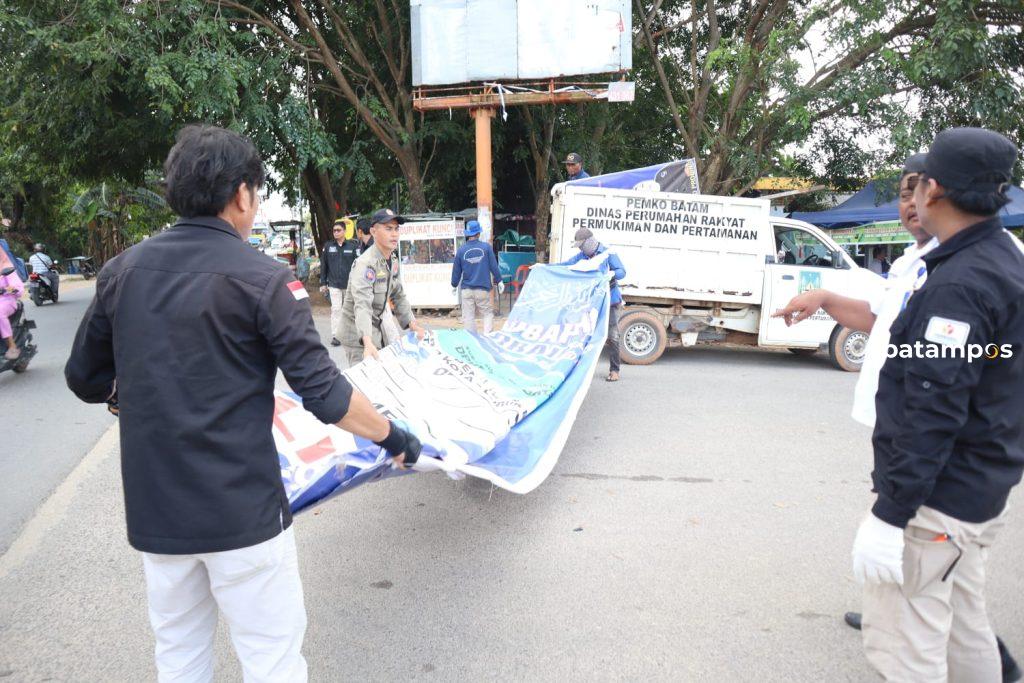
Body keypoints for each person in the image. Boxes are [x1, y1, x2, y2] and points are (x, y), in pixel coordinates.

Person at [64, 125, 422, 683]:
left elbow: (84, 378)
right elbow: (325, 394)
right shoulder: (265, 280)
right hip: (243, 516)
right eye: (255, 193)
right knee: (272, 661)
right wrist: (394, 438)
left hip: (158, 515)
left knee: (179, 658)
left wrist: (128, 396)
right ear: (240, 195)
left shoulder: (121, 272)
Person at [775, 139, 1024, 681]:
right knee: (963, 628)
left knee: (907, 650)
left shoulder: (961, 282)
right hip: (979, 485)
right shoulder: (994, 259)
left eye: (918, 185)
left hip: (939, 498)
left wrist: (891, 515)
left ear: (935, 190)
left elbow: (934, 408)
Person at [338, 207, 426, 367]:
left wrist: (413, 324)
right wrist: (367, 342)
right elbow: (362, 305)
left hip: (376, 328)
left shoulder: (392, 259)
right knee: (366, 377)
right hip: (357, 333)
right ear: (373, 232)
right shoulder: (365, 264)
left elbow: (398, 295)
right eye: (388, 229)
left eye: (396, 229)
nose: (394, 234)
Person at [557, 227, 626, 382]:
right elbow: (566, 265)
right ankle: (579, 370)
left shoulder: (608, 253)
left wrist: (612, 274)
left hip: (610, 302)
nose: (580, 249)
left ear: (589, 242)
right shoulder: (582, 256)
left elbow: (622, 271)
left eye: (581, 245)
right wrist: (544, 267)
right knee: (583, 335)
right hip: (591, 303)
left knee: (613, 336)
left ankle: (614, 370)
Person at [451, 220, 502, 334]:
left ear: (467, 234)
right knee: (487, 313)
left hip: (466, 290)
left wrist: (454, 285)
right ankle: (487, 337)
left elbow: (456, 271)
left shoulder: (461, 250)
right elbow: (493, 266)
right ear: (478, 233)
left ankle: (472, 338)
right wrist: (499, 281)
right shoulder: (486, 248)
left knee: (468, 316)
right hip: (482, 289)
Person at [319, 220, 364, 347]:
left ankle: (354, 335)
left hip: (350, 285)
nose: (336, 233)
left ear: (344, 231)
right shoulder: (328, 246)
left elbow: (359, 265)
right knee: (336, 309)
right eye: (334, 231)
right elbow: (324, 266)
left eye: (338, 230)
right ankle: (336, 336)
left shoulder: (353, 246)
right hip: (334, 285)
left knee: (350, 310)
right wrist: (323, 283)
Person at [0, 251, 24, 360]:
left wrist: (5, 289)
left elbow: (19, 290)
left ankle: (12, 346)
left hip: (7, 301)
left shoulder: (7, 271)